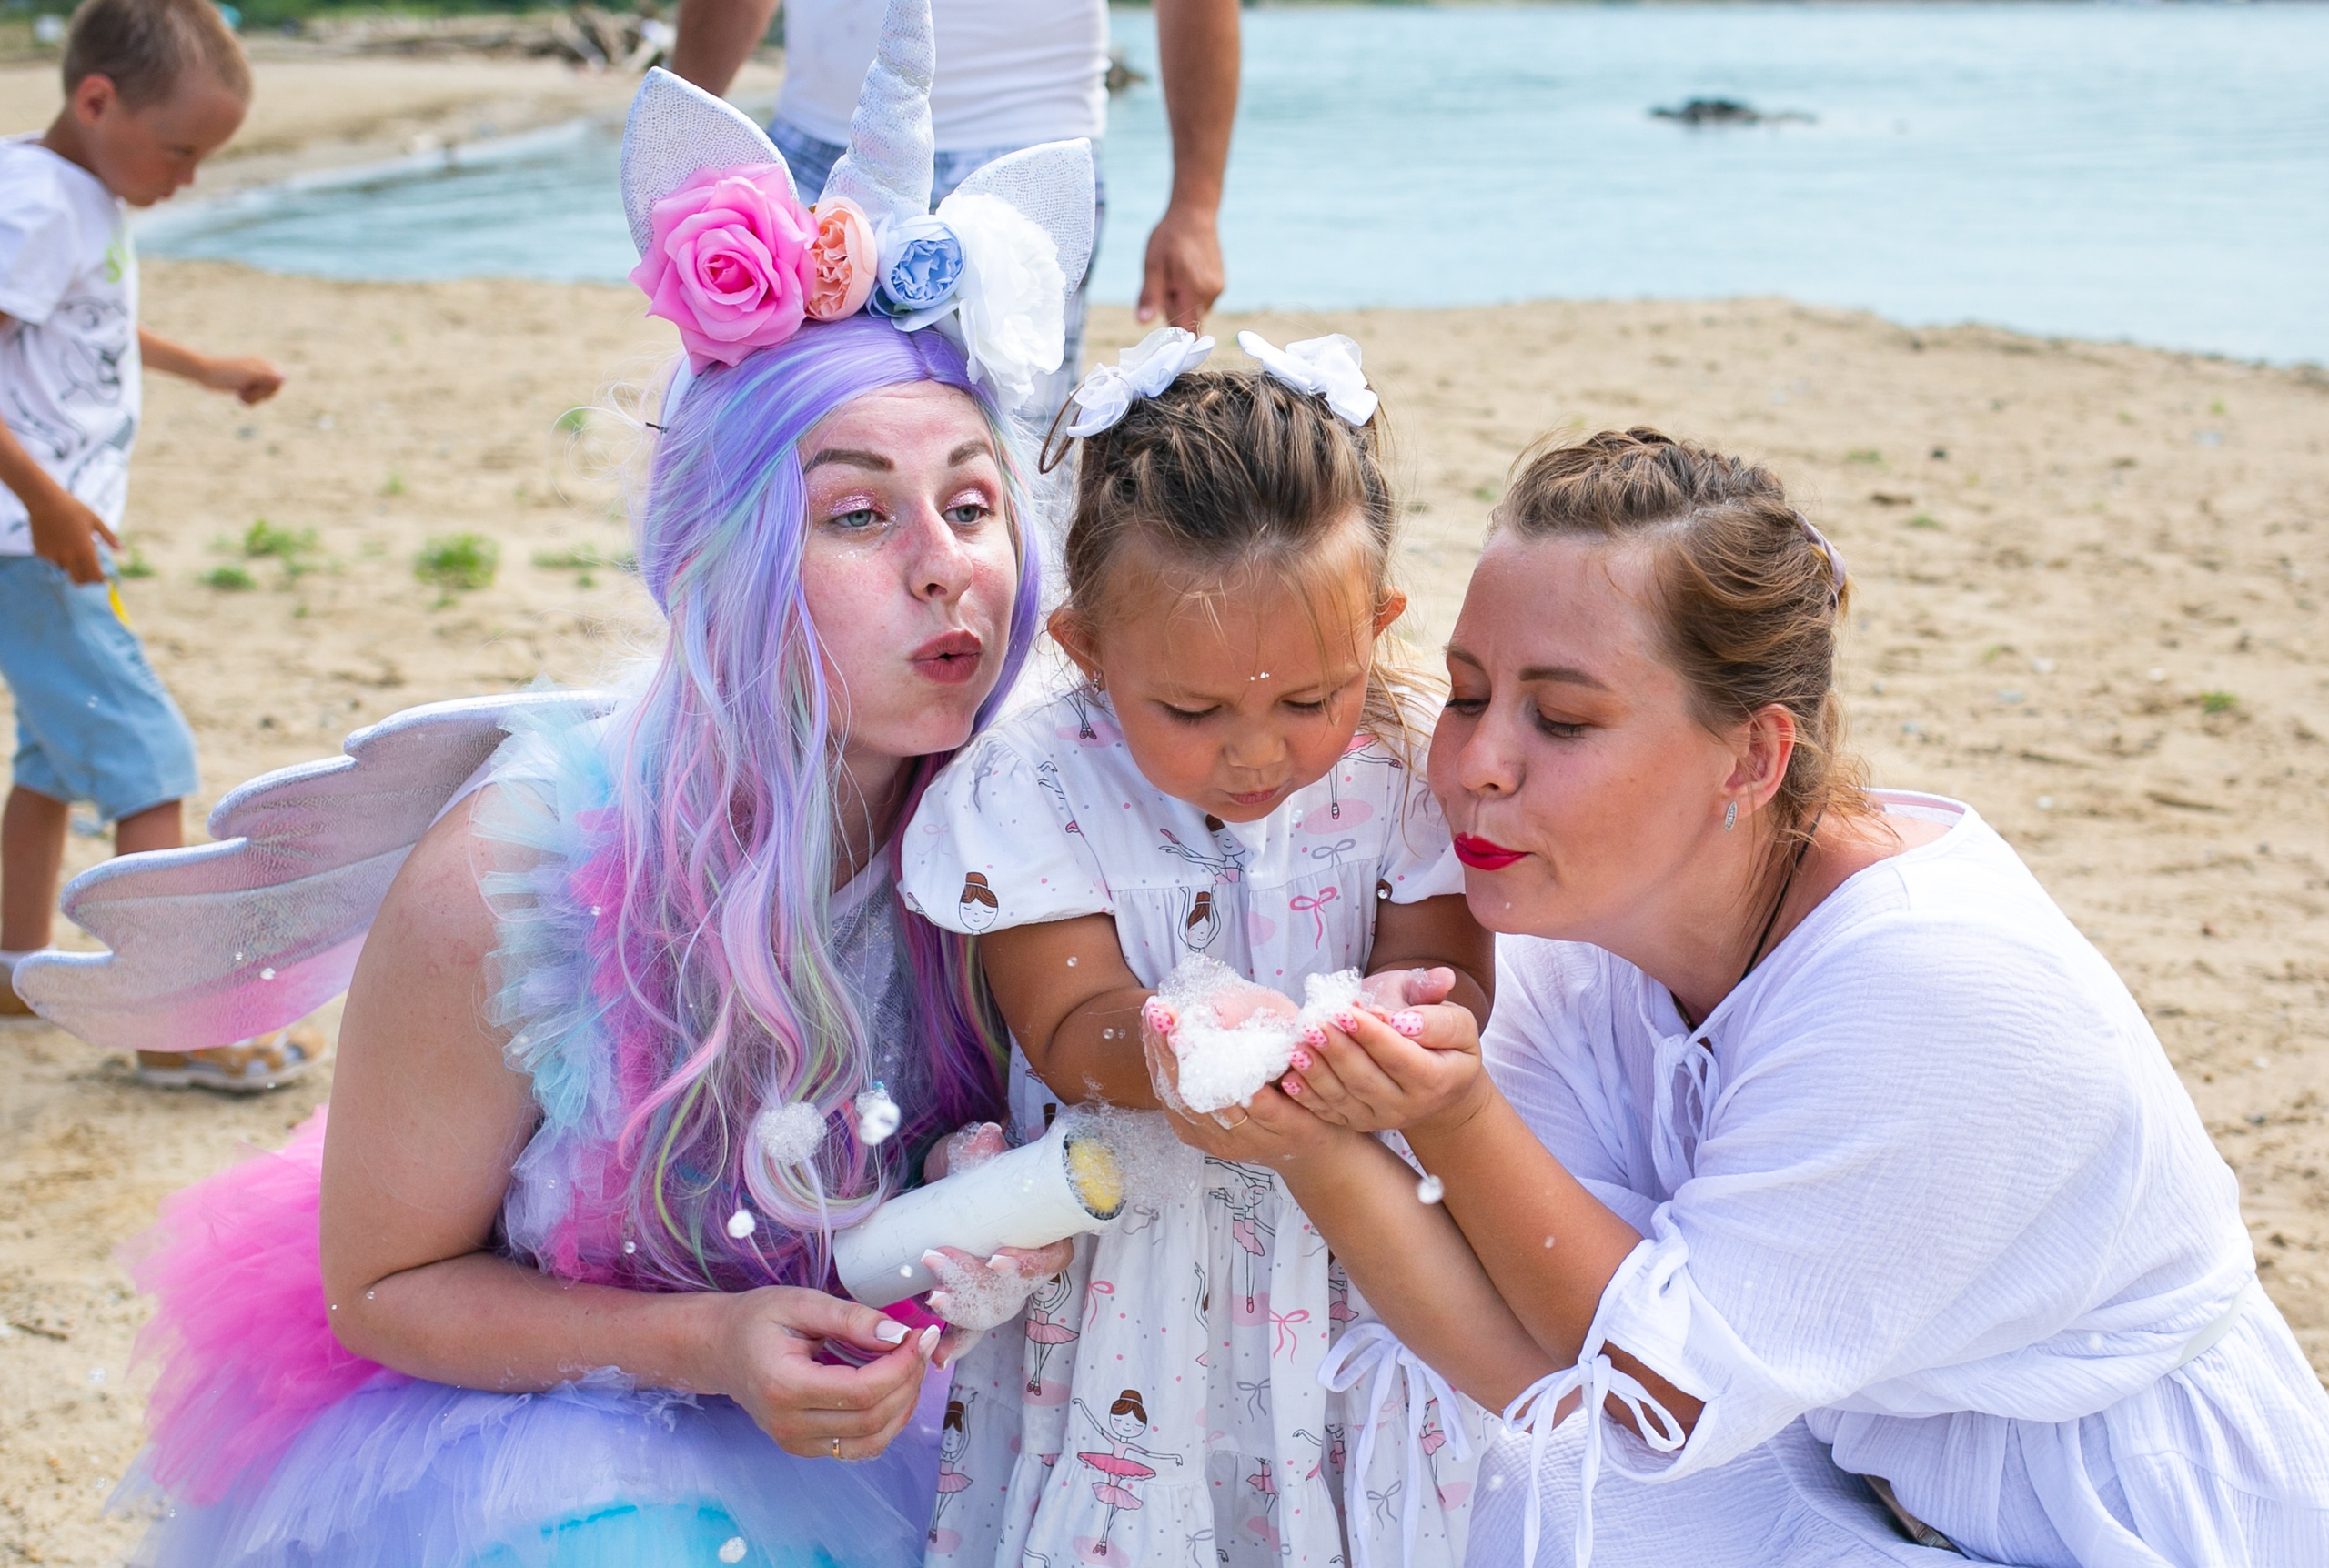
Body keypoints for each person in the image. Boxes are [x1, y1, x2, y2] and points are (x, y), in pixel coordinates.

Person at [76, 33, 1104, 1564]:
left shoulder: (1033, 825)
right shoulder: (514, 876)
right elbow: (382, 1285)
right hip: (567, 1433)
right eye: (856, 514)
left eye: (970, 501)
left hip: (896, 1422)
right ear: (727, 560)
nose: (945, 559)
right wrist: (712, 1343)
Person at [1150, 427, 2329, 1566]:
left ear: (1755, 757)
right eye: (1467, 695)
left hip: (2131, 1523)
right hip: (1863, 1479)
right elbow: (1539, 1371)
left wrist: (1459, 1118)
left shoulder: (1932, 989)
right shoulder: (1575, 924)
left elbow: (1647, 1396)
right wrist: (1301, 1129)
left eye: (1560, 719)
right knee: (1539, 1488)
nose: (1475, 764)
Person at [898, 329, 1497, 1567]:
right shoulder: (1038, 781)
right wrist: (1167, 1048)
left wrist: (1406, 1016)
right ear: (1088, 650)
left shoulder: (1398, 769)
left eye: (1308, 697)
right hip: (1132, 1268)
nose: (1259, 752)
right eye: (1193, 710)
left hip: (1350, 1247)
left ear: (1378, 629)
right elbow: (1068, 1026)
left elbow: (1458, 978)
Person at [0, 0, 302, 1088]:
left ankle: (11, 959)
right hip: (29, 541)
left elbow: (83, 321)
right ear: (97, 100)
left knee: (52, 753)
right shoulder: (41, 203)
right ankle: (176, 1024)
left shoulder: (73, 198)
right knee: (149, 761)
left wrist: (205, 367)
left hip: (43, 534)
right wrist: (45, 502)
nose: (186, 179)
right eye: (179, 150)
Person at [670, 0, 1239, 412]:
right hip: (817, 149)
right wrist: (679, 138)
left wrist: (1196, 204)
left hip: (1029, 163)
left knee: (1012, 457)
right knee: (785, 437)